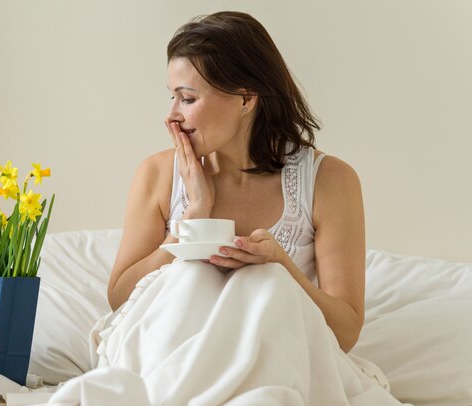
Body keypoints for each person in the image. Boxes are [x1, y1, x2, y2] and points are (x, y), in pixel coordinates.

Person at [107, 10, 365, 353]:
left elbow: (345, 334)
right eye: (172, 96)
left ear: (246, 98)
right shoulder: (157, 175)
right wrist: (192, 218)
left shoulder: (329, 182)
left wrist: (281, 266)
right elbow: (121, 300)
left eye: (187, 98)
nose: (171, 115)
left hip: (275, 363)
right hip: (173, 360)